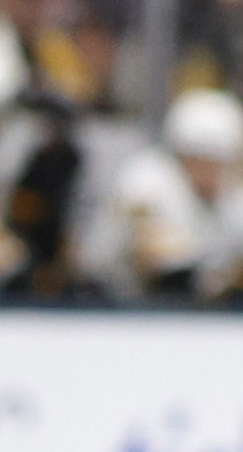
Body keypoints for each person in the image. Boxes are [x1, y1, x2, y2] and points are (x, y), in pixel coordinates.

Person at [89, 83, 243, 297]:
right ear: (181, 153)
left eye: (218, 161)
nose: (210, 170)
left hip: (189, 309)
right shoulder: (147, 178)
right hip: (112, 302)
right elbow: (149, 255)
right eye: (202, 159)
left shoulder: (232, 193)